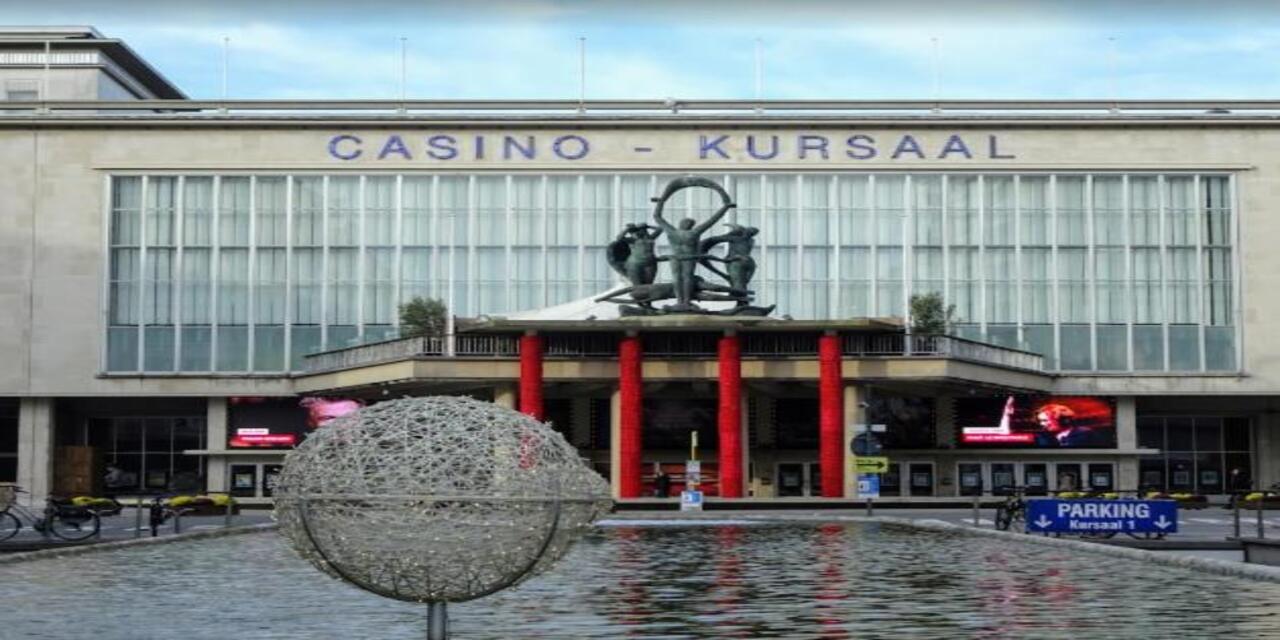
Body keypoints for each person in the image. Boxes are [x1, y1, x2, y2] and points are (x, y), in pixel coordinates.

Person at [1033, 403, 1104, 447]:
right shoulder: (1042, 437)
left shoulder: (1086, 434)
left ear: (1063, 419)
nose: (1041, 424)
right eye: (1040, 421)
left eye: (1045, 420)